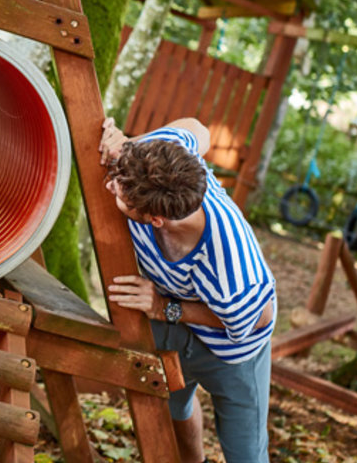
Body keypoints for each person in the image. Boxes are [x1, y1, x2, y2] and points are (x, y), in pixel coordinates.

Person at [99, 117, 276, 463]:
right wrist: (127, 144)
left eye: (119, 194)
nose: (109, 188)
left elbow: (255, 319)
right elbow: (198, 128)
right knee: (171, 406)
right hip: (172, 325)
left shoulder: (232, 267)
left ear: (156, 220)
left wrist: (164, 308)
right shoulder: (165, 157)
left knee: (246, 454)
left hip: (233, 348)